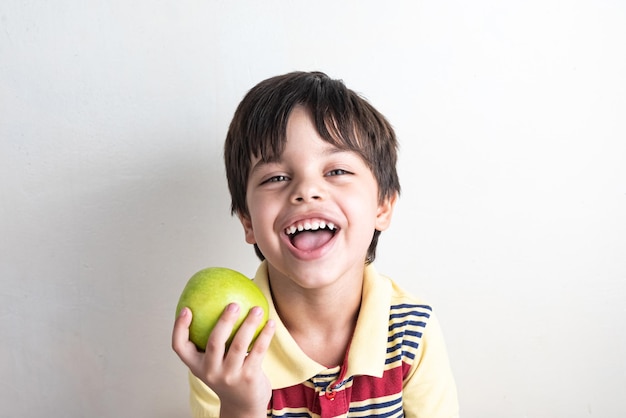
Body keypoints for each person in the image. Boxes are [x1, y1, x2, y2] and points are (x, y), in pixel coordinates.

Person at [172, 71, 459, 418]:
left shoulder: (412, 331)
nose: (306, 190)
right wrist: (240, 405)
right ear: (248, 221)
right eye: (276, 177)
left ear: (382, 207)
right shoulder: (227, 346)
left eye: (336, 171)